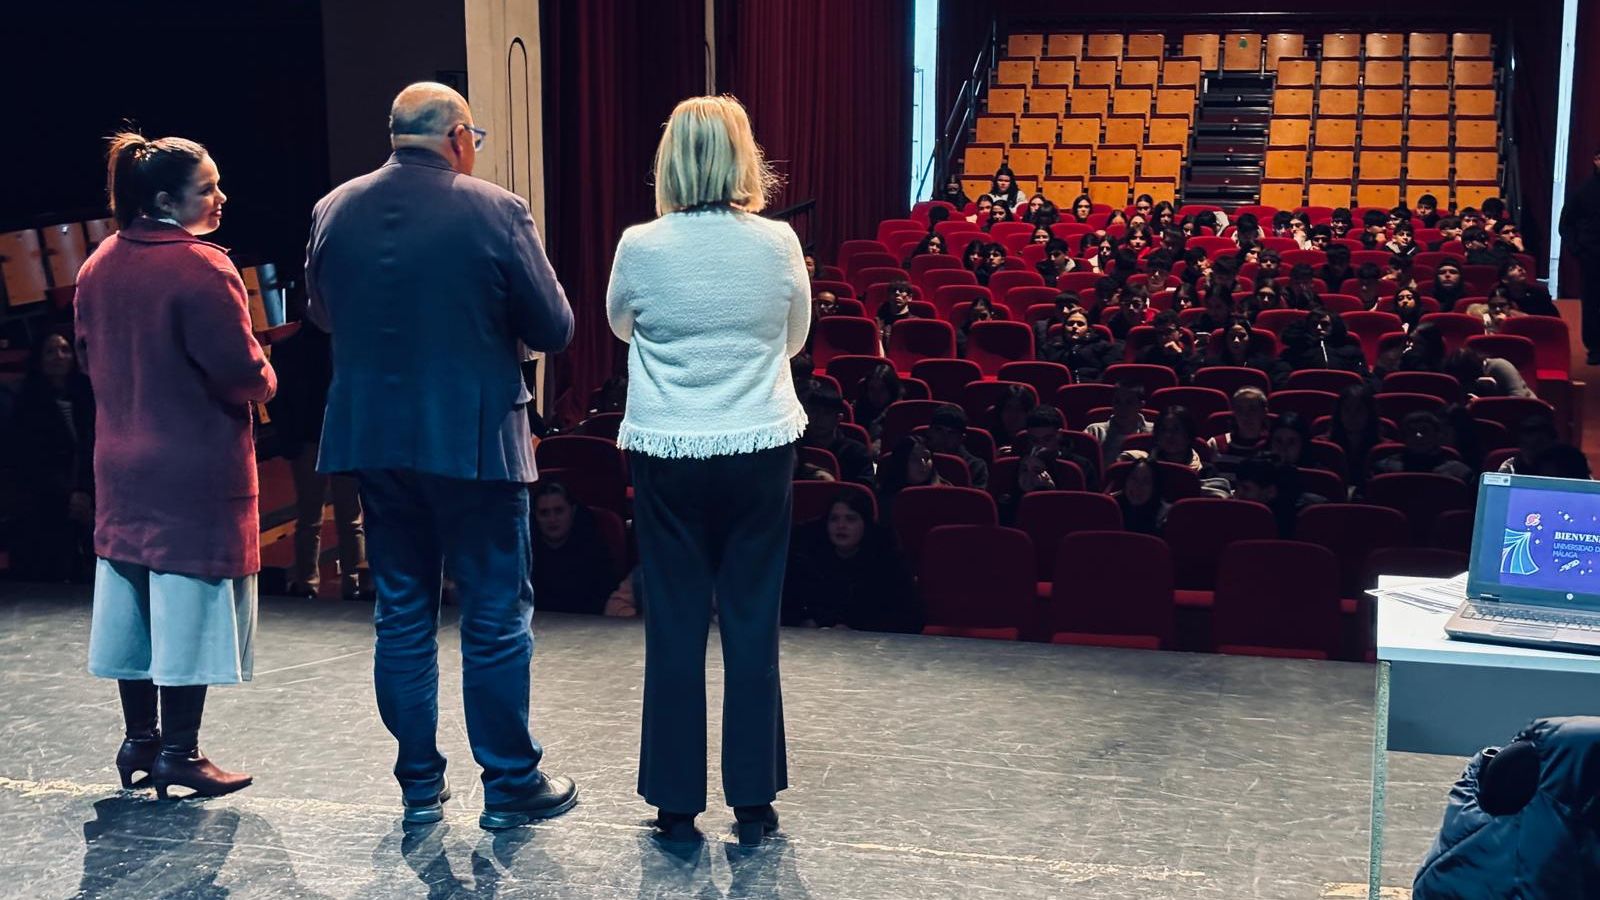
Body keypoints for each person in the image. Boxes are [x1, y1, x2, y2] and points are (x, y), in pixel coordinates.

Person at [307, 84, 577, 828]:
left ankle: (419, 784)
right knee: (492, 617)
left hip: (376, 443)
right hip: (475, 442)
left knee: (401, 615)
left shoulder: (333, 208)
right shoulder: (495, 209)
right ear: (459, 136)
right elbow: (553, 327)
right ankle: (510, 784)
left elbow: (323, 312)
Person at [601, 95, 809, 846]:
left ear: (670, 161)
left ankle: (674, 798)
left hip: (667, 452)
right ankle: (753, 799)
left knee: (676, 627)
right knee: (752, 623)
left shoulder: (640, 245)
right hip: (758, 446)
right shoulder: (778, 242)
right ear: (742, 157)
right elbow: (794, 339)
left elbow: (621, 327)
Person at [75, 132, 277, 800]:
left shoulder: (99, 263)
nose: (221, 197)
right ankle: (181, 752)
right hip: (191, 467)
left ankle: (140, 743)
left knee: (134, 608)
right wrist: (267, 377)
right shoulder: (201, 267)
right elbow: (242, 373)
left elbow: (86, 359)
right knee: (187, 610)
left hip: (122, 462)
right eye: (207, 187)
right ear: (165, 199)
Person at [263, 313, 368, 602]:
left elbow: (279, 401)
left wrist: (288, 439)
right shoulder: (351, 345)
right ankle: (353, 582)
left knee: (310, 516)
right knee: (351, 517)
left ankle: (307, 583)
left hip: (308, 437)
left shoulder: (290, 346)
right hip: (343, 437)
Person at [3, 331, 95, 583]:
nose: (59, 356)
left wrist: (83, 491)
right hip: (46, 494)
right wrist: (70, 495)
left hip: (86, 488)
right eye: (51, 351)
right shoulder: (24, 402)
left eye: (65, 350)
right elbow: (30, 459)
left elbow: (90, 446)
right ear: (39, 359)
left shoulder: (87, 395)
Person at [782, 490, 922, 633]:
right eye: (834, 519)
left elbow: (909, 616)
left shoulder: (889, 560)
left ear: (865, 524)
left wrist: (858, 631)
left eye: (850, 519)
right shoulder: (807, 557)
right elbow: (788, 604)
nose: (841, 525)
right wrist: (804, 621)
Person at [530, 481, 619, 615]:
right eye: (544, 513)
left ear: (572, 511)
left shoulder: (594, 552)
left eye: (559, 511)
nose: (552, 519)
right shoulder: (526, 555)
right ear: (535, 516)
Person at [1559, 148, 1600, 364]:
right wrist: (1577, 249)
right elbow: (1566, 224)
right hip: (1592, 255)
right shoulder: (1583, 191)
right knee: (1593, 301)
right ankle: (1595, 347)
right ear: (1596, 160)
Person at [798, 386, 875, 487]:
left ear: (838, 418)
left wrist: (835, 486)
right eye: (814, 411)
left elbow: (864, 493)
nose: (819, 419)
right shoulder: (794, 448)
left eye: (827, 413)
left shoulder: (857, 453)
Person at [1374, 410, 1475, 483]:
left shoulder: (1459, 473)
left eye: (1424, 431)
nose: (1418, 436)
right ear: (1404, 438)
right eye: (1412, 432)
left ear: (1438, 435)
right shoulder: (1385, 469)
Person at [1234, 456, 1322, 537]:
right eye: (1236, 487)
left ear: (1270, 492)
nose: (1237, 495)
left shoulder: (1306, 519)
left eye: (1246, 489)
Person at [1279, 307, 1368, 378]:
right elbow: (1282, 379)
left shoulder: (1352, 352)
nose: (1318, 327)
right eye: (1314, 324)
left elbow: (1364, 379)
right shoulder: (1294, 352)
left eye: (1324, 324)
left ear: (1334, 327)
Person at [1040, 307, 1122, 383]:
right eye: (1070, 323)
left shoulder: (1103, 347)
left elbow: (1110, 374)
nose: (1075, 327)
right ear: (1064, 328)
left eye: (1080, 324)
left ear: (1088, 330)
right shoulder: (1050, 347)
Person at [877, 435, 946, 522]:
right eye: (914, 458)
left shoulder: (944, 493)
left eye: (927, 457)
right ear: (901, 462)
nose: (923, 463)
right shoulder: (884, 501)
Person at [1327, 384, 1382, 492]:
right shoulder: (1325, 447)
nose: (1352, 416)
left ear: (1369, 414)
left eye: (1359, 410)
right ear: (1339, 413)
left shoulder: (1383, 450)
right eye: (1347, 409)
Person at [1086, 381, 1154, 467]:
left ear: (1141, 405)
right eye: (1117, 402)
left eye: (1129, 403)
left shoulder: (1154, 432)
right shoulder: (1094, 431)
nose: (1122, 408)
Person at [924, 403, 989, 489]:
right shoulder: (916, 458)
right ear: (929, 431)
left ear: (962, 438)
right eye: (938, 430)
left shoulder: (975, 466)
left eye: (951, 433)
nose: (944, 437)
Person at [1209, 386, 1270, 473]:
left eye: (1252, 409)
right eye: (1240, 410)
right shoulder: (1216, 444)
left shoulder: (1273, 444)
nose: (1246, 416)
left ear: (1264, 412)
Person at [853, 363, 903, 454]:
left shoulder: (900, 411)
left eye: (882, 389)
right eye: (872, 389)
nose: (877, 394)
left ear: (891, 390)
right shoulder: (857, 409)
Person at [1114, 457, 1169, 535]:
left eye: (1146, 481)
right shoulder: (1112, 508)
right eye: (1134, 479)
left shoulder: (1165, 517)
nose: (1138, 486)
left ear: (1155, 487)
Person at [986, 384, 1037, 455]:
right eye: (1008, 408)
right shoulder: (989, 439)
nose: (1013, 415)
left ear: (1028, 413)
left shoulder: (1038, 439)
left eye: (1019, 409)